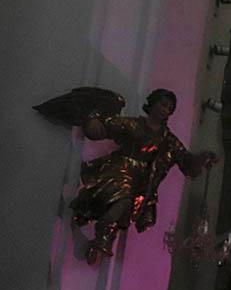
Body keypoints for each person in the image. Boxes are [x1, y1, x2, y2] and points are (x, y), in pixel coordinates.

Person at [71, 88, 218, 263]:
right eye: (163, 105)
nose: (165, 110)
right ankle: (102, 234)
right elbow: (105, 128)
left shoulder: (168, 141)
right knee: (122, 200)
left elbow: (186, 161)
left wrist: (202, 158)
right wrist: (93, 121)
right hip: (120, 169)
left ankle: (102, 238)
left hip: (141, 182)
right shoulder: (134, 125)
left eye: (169, 108)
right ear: (153, 103)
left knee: (124, 209)